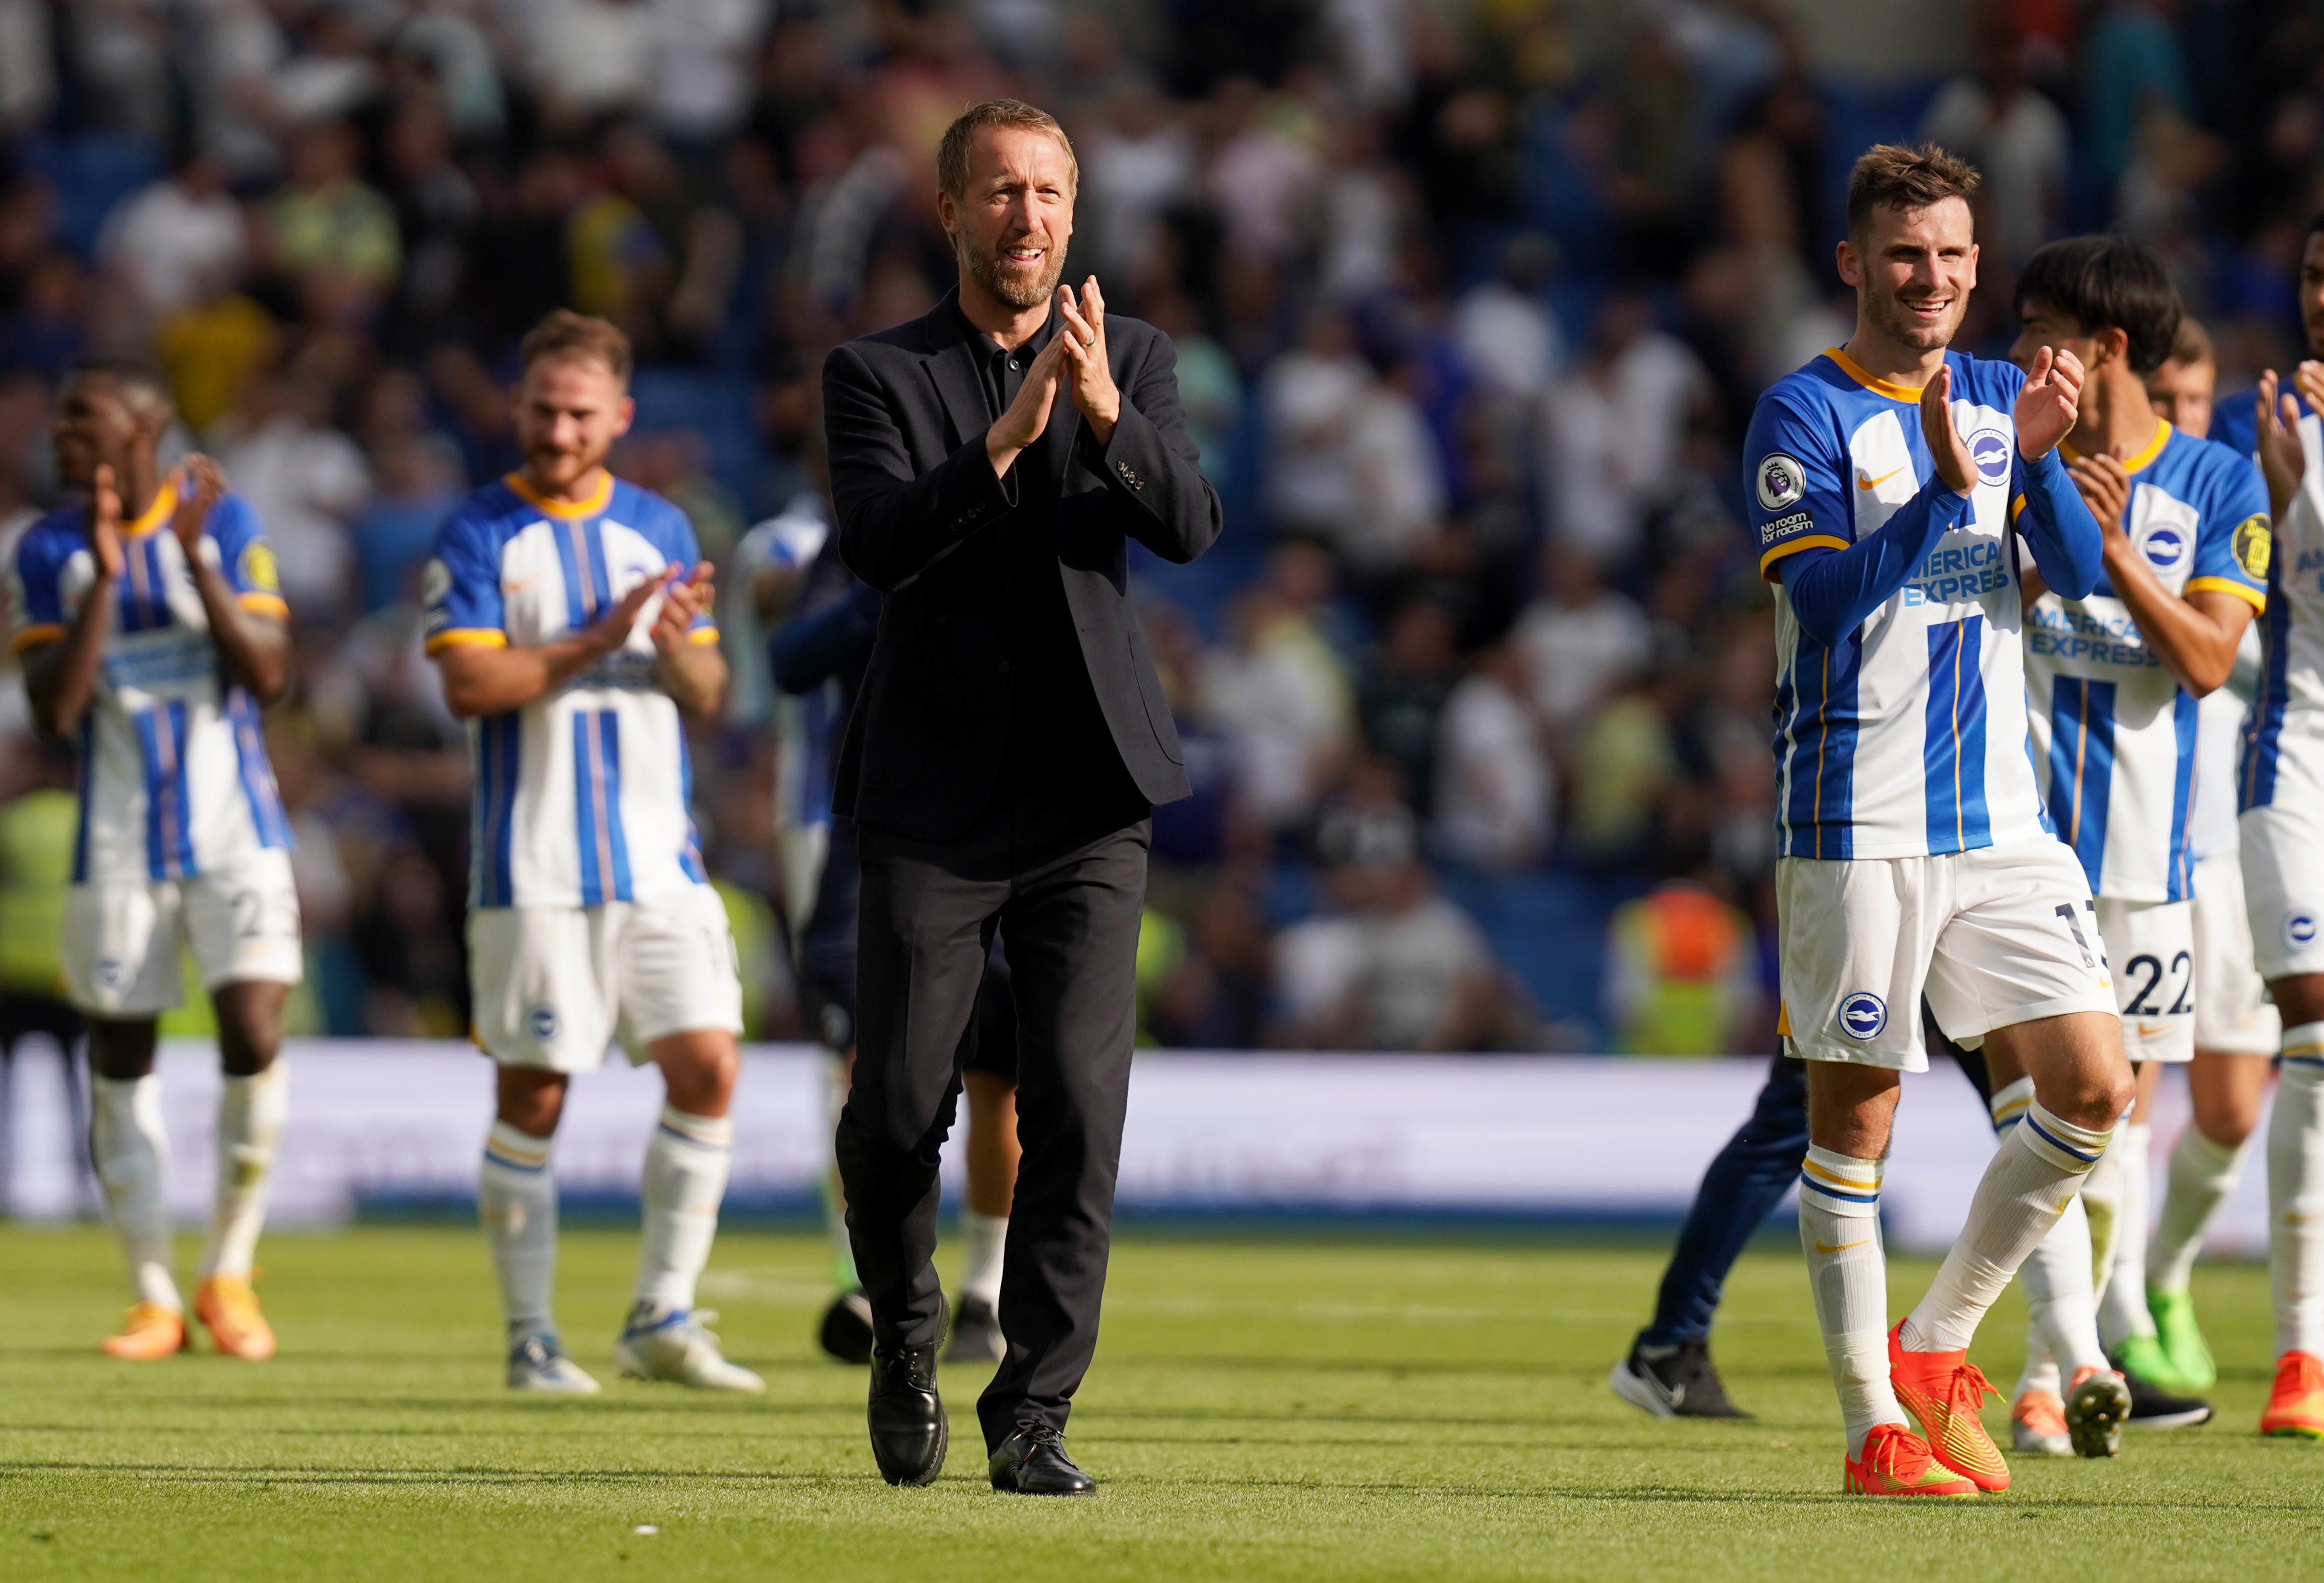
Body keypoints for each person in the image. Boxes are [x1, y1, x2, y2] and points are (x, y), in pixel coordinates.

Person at [820, 99, 1221, 1494]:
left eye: (1048, 191)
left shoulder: (1140, 358)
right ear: (948, 212)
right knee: (892, 1110)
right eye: (999, 191)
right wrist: (1005, 442)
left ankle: (1034, 1410)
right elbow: (872, 545)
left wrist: (1103, 412)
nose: (1027, 216)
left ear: (1074, 209)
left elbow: (1188, 521)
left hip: (1085, 798)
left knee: (1075, 1104)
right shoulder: (876, 373)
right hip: (929, 796)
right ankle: (905, 1331)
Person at [1746, 144, 2127, 1497]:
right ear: (1853, 262)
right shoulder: (1798, 411)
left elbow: (2073, 586)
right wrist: (1948, 486)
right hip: (1852, 812)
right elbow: (1827, 603)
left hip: (1996, 816)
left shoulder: (1992, 390)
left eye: (1954, 256)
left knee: (2092, 1086)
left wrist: (2042, 456)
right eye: (1906, 255)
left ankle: (1933, 1340)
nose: (1932, 279)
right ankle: (1871, 1430)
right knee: (1855, 1123)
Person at [422, 310, 759, 1397]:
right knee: (536, 1097)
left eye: (578, 414)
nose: (558, 432)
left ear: (619, 417)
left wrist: (672, 654)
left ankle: (661, 1315)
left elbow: (711, 695)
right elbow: (471, 687)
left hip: (660, 860)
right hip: (533, 869)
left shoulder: (660, 528)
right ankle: (530, 1336)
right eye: (540, 410)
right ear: (515, 410)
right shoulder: (478, 535)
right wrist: (592, 640)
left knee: (709, 1067)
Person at [2006, 236, 2275, 1448]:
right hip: (2020, 852)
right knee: (2046, 1121)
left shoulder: (2216, 486)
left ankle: (2067, 1363)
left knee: (2107, 1134)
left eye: (2039, 330)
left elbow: (2212, 659)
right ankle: (2050, 1371)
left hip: (2153, 872)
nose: (2018, 352)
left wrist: (2112, 561)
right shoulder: (2008, 458)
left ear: (2105, 347)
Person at [11, 359, 301, 1362]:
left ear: (146, 427)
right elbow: (53, 711)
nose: (60, 434)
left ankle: (228, 1272)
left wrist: (195, 564)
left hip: (237, 832)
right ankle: (151, 1296)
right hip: (117, 838)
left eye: (81, 418)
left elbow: (267, 675)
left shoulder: (225, 525)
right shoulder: (47, 549)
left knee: (253, 1027)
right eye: (59, 419)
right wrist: (100, 572)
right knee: (120, 1054)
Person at [761, 531, 1022, 1369]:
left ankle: (986, 1286)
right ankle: (874, 1279)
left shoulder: (1035, 507)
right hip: (875, 826)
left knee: (996, 1077)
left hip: (1006, 825)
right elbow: (793, 659)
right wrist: (885, 592)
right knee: (866, 1064)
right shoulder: (866, 538)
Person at [2136, 319, 2278, 1395]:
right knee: (2113, 1096)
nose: (2185, 417)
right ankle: (2102, 1331)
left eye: (2197, 399)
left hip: (2230, 854)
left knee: (2230, 1113)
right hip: (2131, 837)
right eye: (2167, 397)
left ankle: (2164, 1273)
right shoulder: (2113, 500)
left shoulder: (2242, 504)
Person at [2210, 210, 2324, 1438]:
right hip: (2293, 748)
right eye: (2311, 276)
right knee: (2313, 1022)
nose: (2322, 299)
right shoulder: (2278, 419)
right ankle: (2301, 1359)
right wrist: (2286, 489)